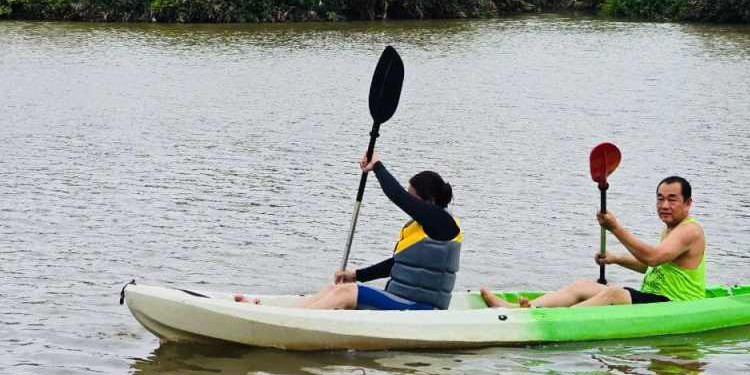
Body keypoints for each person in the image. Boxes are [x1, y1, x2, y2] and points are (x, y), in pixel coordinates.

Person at [235, 153, 462, 310]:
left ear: (429, 201)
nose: (409, 203)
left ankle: (286, 320)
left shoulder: (442, 223)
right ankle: (281, 314)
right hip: (402, 302)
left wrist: (377, 167)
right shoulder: (421, 229)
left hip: (422, 310)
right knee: (335, 288)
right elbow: (398, 265)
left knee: (347, 293)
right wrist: (357, 274)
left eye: (413, 196)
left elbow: (397, 196)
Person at [480, 176, 704, 309]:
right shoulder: (669, 228)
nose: (664, 205)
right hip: (654, 299)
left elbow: (654, 257)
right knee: (582, 285)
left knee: (614, 292)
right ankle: (518, 309)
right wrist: (616, 259)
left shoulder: (689, 231)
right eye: (660, 198)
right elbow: (653, 266)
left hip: (676, 305)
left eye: (672, 199)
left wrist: (614, 228)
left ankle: (550, 319)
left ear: (688, 203)